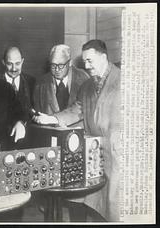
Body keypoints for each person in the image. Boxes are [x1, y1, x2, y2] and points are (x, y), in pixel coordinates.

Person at [33, 39, 121, 221]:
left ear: (104, 57)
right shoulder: (88, 85)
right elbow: (77, 109)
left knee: (112, 211)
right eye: (85, 61)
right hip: (94, 157)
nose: (86, 66)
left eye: (90, 61)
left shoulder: (123, 81)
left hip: (116, 158)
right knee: (93, 207)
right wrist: (52, 118)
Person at [33, 44, 89, 125]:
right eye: (53, 65)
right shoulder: (40, 84)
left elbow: (83, 109)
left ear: (70, 63)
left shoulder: (84, 79)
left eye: (61, 65)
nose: (57, 69)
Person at [0, 46, 36, 119]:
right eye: (10, 64)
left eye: (17, 63)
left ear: (22, 61)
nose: (14, 68)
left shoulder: (31, 82)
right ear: (3, 62)